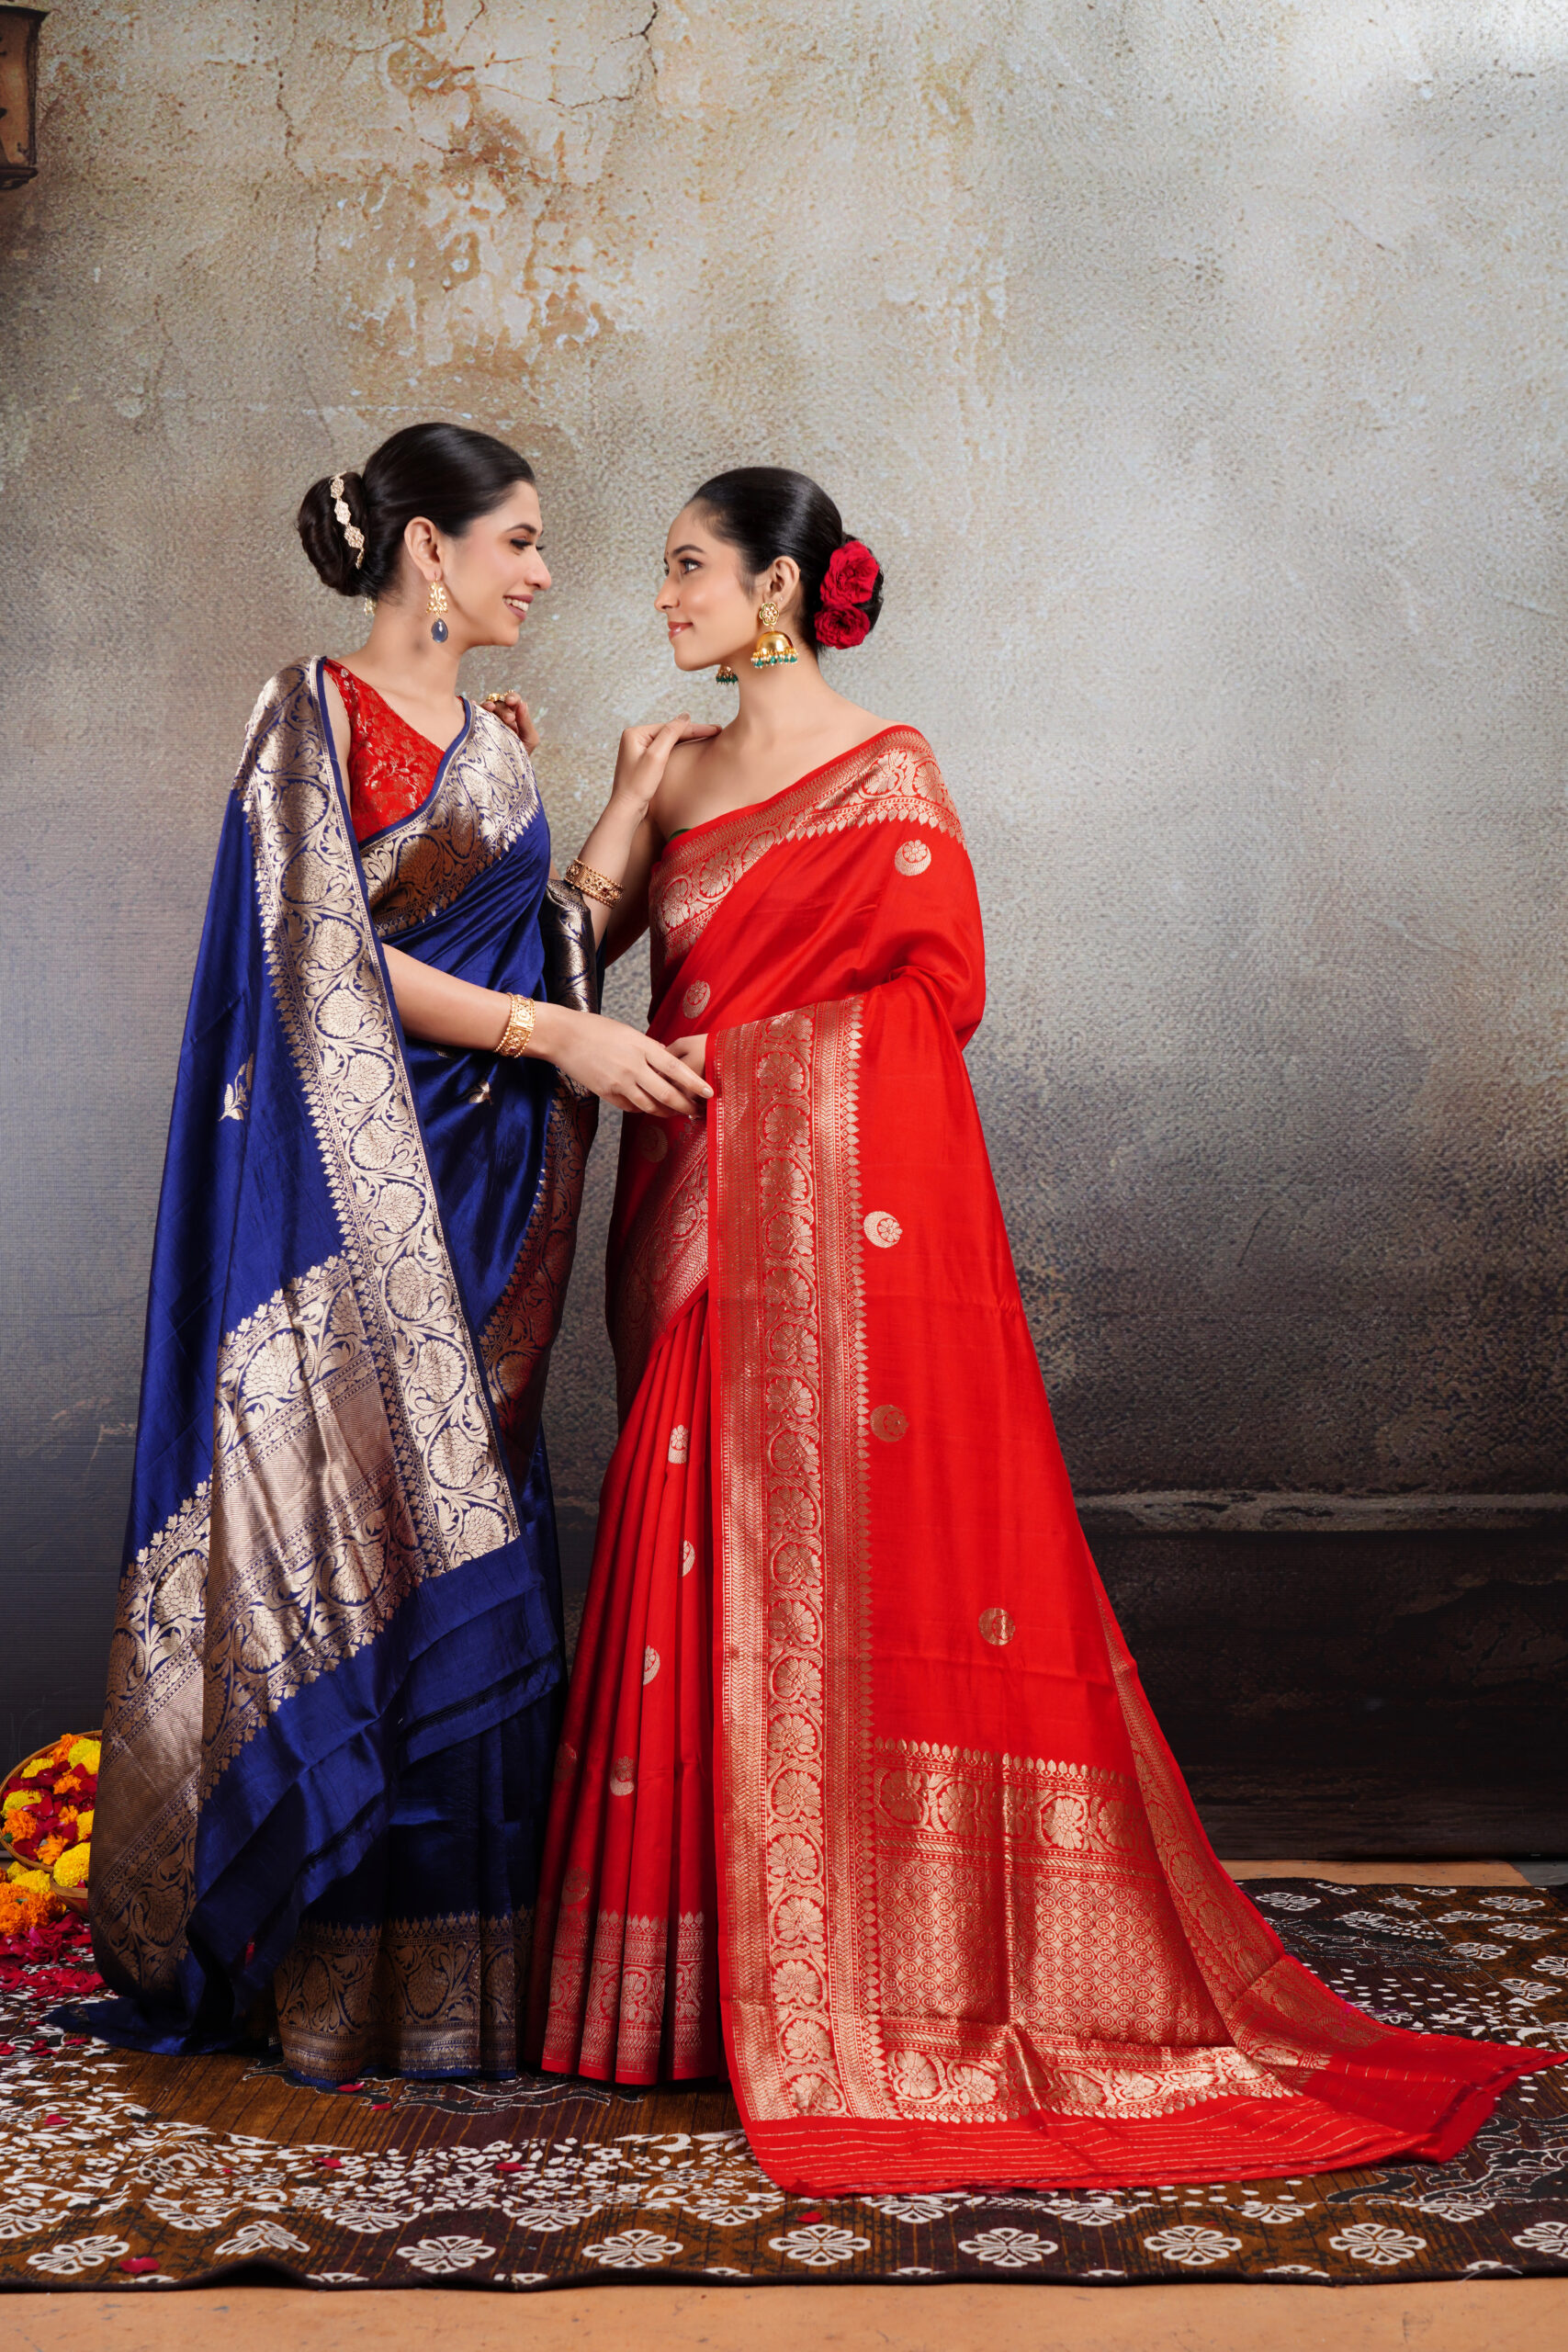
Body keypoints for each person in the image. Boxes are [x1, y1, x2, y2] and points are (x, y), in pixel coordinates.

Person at [524, 465, 1556, 2192]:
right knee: (694, 1561)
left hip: (820, 1243)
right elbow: (574, 967)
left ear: (777, 587)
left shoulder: (889, 772)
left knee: (854, 1580)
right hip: (697, 1234)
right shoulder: (675, 768)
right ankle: (697, 1996)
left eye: (689, 566)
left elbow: (935, 1003)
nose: (662, 596)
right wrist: (625, 808)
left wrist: (751, 1079)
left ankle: (878, 1973)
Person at [86, 423, 712, 2082]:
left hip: (490, 1215)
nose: (544, 572)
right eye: (519, 541)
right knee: (356, 1537)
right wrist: (556, 1035)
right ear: (428, 547)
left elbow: (543, 949)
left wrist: (622, 812)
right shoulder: (313, 717)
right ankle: (332, 1990)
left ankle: (466, 1996)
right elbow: (327, 964)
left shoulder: (490, 744)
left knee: (470, 1531)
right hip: (353, 1213)